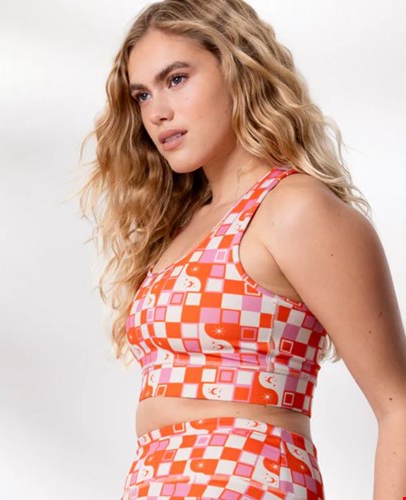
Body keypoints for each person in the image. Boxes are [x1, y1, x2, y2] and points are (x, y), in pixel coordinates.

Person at [78, 1, 406, 498]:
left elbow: (397, 405)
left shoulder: (295, 209)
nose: (157, 111)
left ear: (239, 68)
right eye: (142, 94)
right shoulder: (183, 226)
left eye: (176, 79)